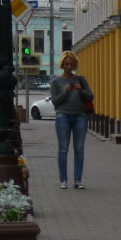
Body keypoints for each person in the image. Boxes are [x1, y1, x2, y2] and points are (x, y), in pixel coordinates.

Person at [49, 50, 93, 189]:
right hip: (63, 117)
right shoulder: (56, 81)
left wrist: (80, 90)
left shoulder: (80, 79)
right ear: (62, 65)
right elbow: (55, 102)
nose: (69, 67)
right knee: (63, 149)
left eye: (71, 64)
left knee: (79, 148)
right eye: (66, 64)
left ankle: (78, 180)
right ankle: (63, 180)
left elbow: (90, 97)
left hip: (80, 116)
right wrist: (66, 90)